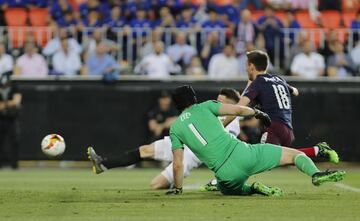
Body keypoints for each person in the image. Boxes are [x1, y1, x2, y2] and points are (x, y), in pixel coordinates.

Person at [166, 85, 345, 196]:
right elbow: (238, 110)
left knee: (226, 189)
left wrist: (178, 189)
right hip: (244, 154)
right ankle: (315, 174)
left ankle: (253, 188)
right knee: (295, 155)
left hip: (225, 175)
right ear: (193, 98)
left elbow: (178, 165)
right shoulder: (206, 106)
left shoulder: (175, 128)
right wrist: (258, 113)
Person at [87, 88, 243, 190]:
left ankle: (185, 186)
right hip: (182, 140)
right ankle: (103, 164)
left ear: (233, 105)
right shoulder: (209, 110)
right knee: (145, 150)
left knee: (155, 185)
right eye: (218, 99)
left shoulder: (234, 121)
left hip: (192, 152)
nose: (218, 103)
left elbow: (222, 143)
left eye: (221, 102)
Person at [0, 74, 21, 169]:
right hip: (1, 118)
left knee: (15, 141)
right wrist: (10, 103)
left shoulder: (14, 87)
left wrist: (5, 104)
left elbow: (16, 102)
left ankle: (14, 165)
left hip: (12, 118)